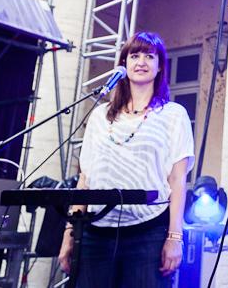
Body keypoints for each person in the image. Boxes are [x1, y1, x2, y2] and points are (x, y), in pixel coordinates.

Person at [58, 31, 194, 288]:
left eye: (149, 56)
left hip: (148, 232)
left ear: (159, 66)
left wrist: (175, 237)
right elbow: (85, 179)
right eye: (134, 55)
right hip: (94, 233)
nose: (141, 61)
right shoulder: (100, 116)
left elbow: (177, 180)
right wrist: (69, 234)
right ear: (124, 64)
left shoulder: (174, 115)